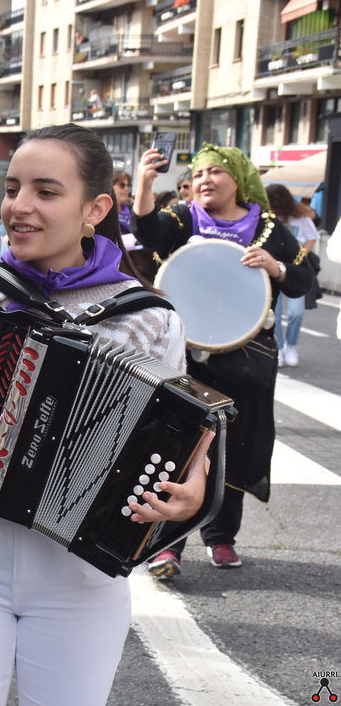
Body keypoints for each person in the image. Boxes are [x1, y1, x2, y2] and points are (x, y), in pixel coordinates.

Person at [0, 123, 210, 705]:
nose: (18, 206)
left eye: (46, 191)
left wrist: (192, 490)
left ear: (95, 209)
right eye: (11, 189)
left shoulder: (150, 316)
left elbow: (185, 439)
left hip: (80, 570)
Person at [134, 142, 313, 577]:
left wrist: (274, 266)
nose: (205, 180)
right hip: (185, 358)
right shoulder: (182, 218)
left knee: (234, 448)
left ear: (239, 179)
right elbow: (148, 233)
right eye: (198, 173)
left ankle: (221, 538)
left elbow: (303, 280)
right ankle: (166, 545)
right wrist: (145, 183)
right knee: (177, 445)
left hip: (244, 361)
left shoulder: (267, 228)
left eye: (215, 171)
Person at [266, 183, 318, 367]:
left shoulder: (301, 217)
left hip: (296, 268)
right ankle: (279, 347)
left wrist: (301, 254)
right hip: (273, 268)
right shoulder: (267, 218)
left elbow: (312, 237)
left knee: (296, 312)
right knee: (275, 312)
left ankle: (291, 345)